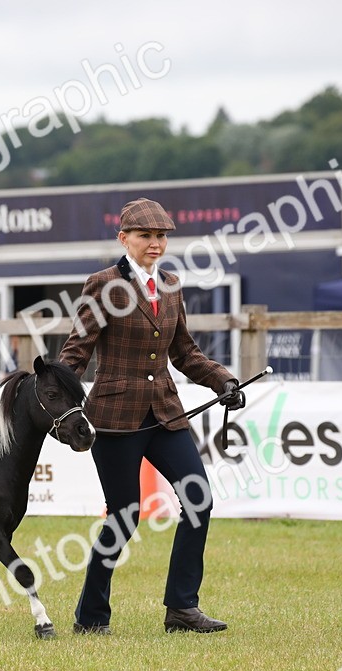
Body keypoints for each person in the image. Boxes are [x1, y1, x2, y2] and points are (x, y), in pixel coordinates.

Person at [58, 197, 244, 634]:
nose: (156, 243)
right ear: (124, 238)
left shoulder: (173, 286)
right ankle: (90, 617)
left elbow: (185, 353)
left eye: (161, 236)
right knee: (124, 517)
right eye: (146, 235)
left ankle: (181, 608)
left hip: (164, 414)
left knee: (199, 501)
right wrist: (55, 396)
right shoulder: (103, 285)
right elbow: (76, 352)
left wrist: (223, 381)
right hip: (114, 417)